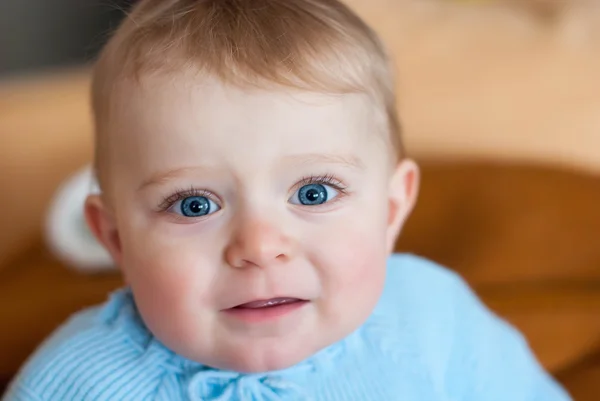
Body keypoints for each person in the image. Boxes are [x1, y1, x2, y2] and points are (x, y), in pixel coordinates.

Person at [3, 0, 572, 400]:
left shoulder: (435, 319)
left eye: (314, 192)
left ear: (392, 209)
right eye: (195, 205)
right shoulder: (79, 382)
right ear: (116, 238)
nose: (259, 247)